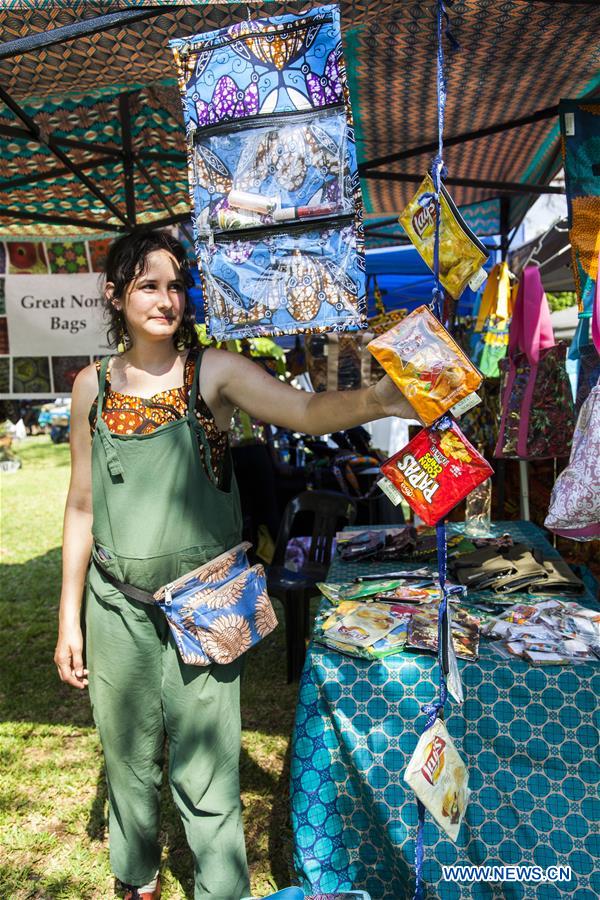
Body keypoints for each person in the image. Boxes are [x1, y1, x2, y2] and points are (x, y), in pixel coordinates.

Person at [54, 229, 418, 900]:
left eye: (175, 285)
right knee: (127, 759)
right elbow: (80, 505)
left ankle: (222, 890)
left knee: (208, 771)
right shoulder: (89, 387)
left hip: (205, 605)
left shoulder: (211, 372)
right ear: (115, 295)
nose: (167, 299)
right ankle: (136, 879)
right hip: (114, 607)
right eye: (147, 285)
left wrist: (378, 401)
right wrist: (68, 619)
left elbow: (306, 410)